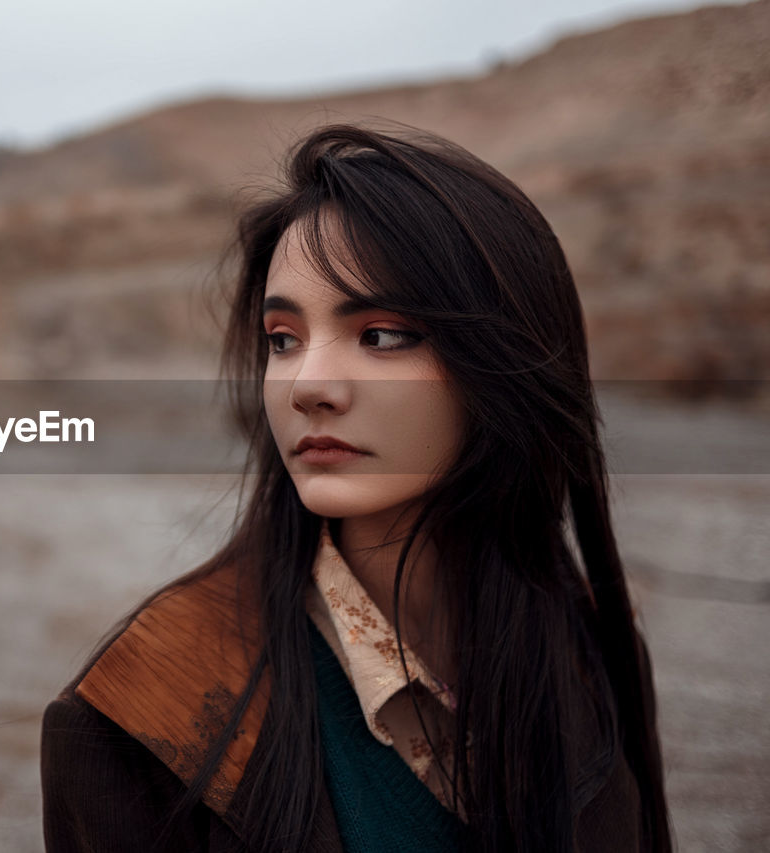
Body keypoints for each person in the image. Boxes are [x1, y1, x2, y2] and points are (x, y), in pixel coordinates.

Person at [39, 125, 672, 852]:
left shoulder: (586, 643)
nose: (308, 385)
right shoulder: (140, 716)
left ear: (509, 360)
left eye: (381, 333)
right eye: (283, 339)